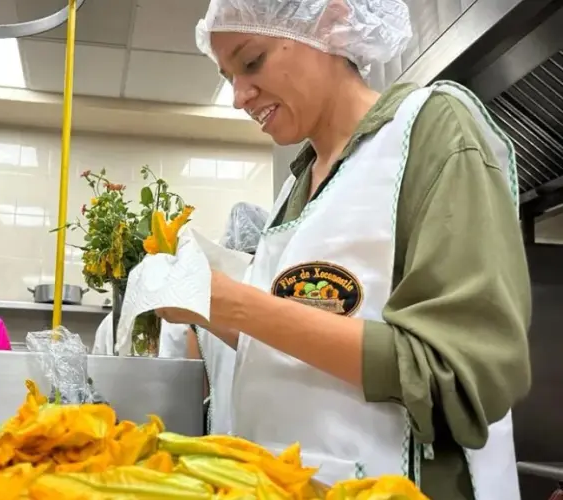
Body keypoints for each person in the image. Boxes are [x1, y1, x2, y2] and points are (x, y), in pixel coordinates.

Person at [157, 1, 531, 498]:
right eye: (227, 75)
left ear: (329, 22)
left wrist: (237, 304)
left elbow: (464, 376)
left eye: (251, 62)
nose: (238, 97)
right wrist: (206, 309)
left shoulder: (431, 131)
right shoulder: (293, 192)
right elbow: (296, 343)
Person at [186, 202, 268, 437]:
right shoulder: (272, 293)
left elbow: (195, 389)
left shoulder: (206, 297)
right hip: (269, 431)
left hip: (219, 428)